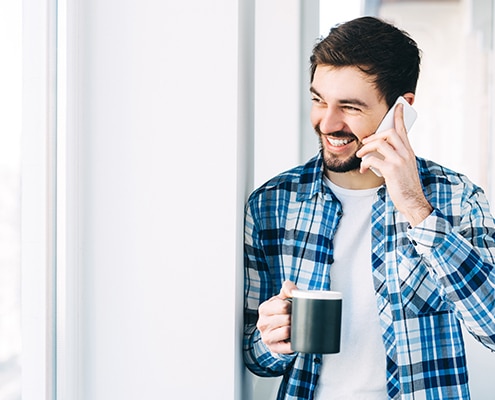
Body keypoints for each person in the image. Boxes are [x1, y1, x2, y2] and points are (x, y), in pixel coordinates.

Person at [243, 16, 495, 400]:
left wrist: (415, 207)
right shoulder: (272, 204)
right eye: (318, 100)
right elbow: (256, 359)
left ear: (402, 109)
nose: (327, 123)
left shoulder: (457, 198)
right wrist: (273, 340)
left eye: (350, 107)